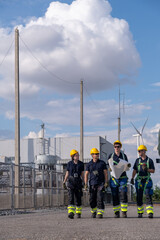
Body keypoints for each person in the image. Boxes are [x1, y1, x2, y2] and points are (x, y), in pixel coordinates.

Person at [131, 145, 155, 218]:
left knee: (148, 195)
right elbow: (135, 170)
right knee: (139, 196)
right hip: (139, 180)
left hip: (147, 180)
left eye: (140, 151)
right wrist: (132, 178)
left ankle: (150, 212)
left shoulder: (149, 160)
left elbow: (153, 170)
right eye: (138, 151)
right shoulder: (137, 161)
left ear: (144, 151)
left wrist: (147, 169)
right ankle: (140, 212)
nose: (139, 152)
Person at [85, 148, 108, 218]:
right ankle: (93, 212)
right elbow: (86, 174)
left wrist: (106, 182)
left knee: (100, 198)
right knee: (92, 199)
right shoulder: (89, 164)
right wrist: (85, 184)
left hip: (100, 184)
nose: (97, 155)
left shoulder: (102, 163)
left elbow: (106, 173)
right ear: (92, 155)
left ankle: (100, 213)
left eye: (98, 154)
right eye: (96, 154)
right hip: (92, 184)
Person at [108, 140, 129, 218]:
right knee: (114, 195)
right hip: (114, 178)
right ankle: (116, 212)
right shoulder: (111, 156)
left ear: (120, 147)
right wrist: (110, 169)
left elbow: (127, 166)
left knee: (123, 193)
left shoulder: (124, 156)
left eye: (118, 146)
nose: (117, 148)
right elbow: (109, 165)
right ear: (114, 147)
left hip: (122, 177)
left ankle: (124, 212)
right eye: (115, 146)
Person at [63, 149, 84, 219]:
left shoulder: (81, 164)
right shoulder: (69, 164)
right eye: (76, 155)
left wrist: (84, 182)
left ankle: (78, 212)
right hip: (71, 182)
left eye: (78, 155)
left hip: (78, 182)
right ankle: (71, 212)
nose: (77, 156)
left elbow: (82, 174)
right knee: (71, 197)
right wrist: (64, 181)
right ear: (72, 156)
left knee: (78, 198)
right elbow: (67, 173)